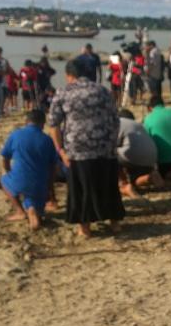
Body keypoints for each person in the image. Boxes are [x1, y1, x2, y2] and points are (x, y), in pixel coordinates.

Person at [48, 59, 124, 237]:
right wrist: (112, 142)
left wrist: (61, 151)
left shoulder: (63, 93)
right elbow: (115, 119)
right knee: (108, 185)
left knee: (81, 188)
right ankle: (115, 223)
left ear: (69, 75)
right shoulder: (102, 90)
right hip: (104, 145)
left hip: (78, 148)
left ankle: (85, 227)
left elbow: (54, 125)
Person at [0, 108, 58, 230]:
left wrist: (8, 171)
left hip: (21, 181)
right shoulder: (47, 139)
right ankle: (32, 211)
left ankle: (20, 211)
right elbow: (53, 166)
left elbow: (5, 158)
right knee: (33, 197)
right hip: (40, 184)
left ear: (26, 121)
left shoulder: (15, 134)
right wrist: (50, 188)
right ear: (43, 124)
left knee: (3, 180)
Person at [117, 108, 162, 195]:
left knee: (111, 154)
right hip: (151, 159)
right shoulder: (139, 125)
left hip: (133, 157)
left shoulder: (118, 123)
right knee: (135, 177)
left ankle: (124, 184)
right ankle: (150, 177)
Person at [143, 95, 171, 177]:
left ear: (150, 107)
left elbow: (147, 139)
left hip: (164, 154)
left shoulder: (148, 118)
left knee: (163, 175)